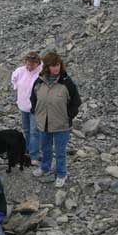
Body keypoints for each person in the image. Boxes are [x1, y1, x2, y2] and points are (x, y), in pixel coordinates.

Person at [30, 52, 81, 188]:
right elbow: (33, 98)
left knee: (60, 152)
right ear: (47, 67)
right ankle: (45, 168)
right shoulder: (39, 81)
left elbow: (76, 101)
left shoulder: (66, 82)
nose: (56, 68)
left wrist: (69, 116)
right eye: (53, 65)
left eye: (58, 65)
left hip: (61, 125)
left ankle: (61, 174)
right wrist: (37, 113)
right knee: (45, 148)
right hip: (43, 123)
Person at [11, 52, 43, 166]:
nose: (29, 67)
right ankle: (29, 149)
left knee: (35, 131)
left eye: (32, 65)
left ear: (37, 63)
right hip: (23, 105)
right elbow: (13, 78)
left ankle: (34, 155)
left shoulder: (42, 73)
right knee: (26, 129)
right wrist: (16, 87)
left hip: (36, 107)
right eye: (28, 64)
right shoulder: (20, 71)